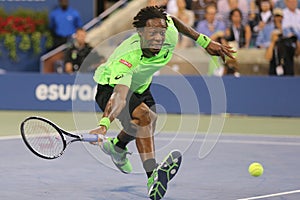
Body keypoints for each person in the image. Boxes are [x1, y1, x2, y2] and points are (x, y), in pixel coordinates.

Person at [89, 6, 235, 200]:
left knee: (148, 122)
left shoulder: (169, 34)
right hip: (110, 88)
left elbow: (173, 21)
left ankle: (118, 146)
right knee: (145, 117)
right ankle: (153, 177)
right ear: (141, 33)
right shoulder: (127, 57)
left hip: (141, 87)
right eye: (152, 32)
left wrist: (203, 41)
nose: (159, 37)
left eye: (161, 32)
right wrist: (104, 124)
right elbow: (120, 96)